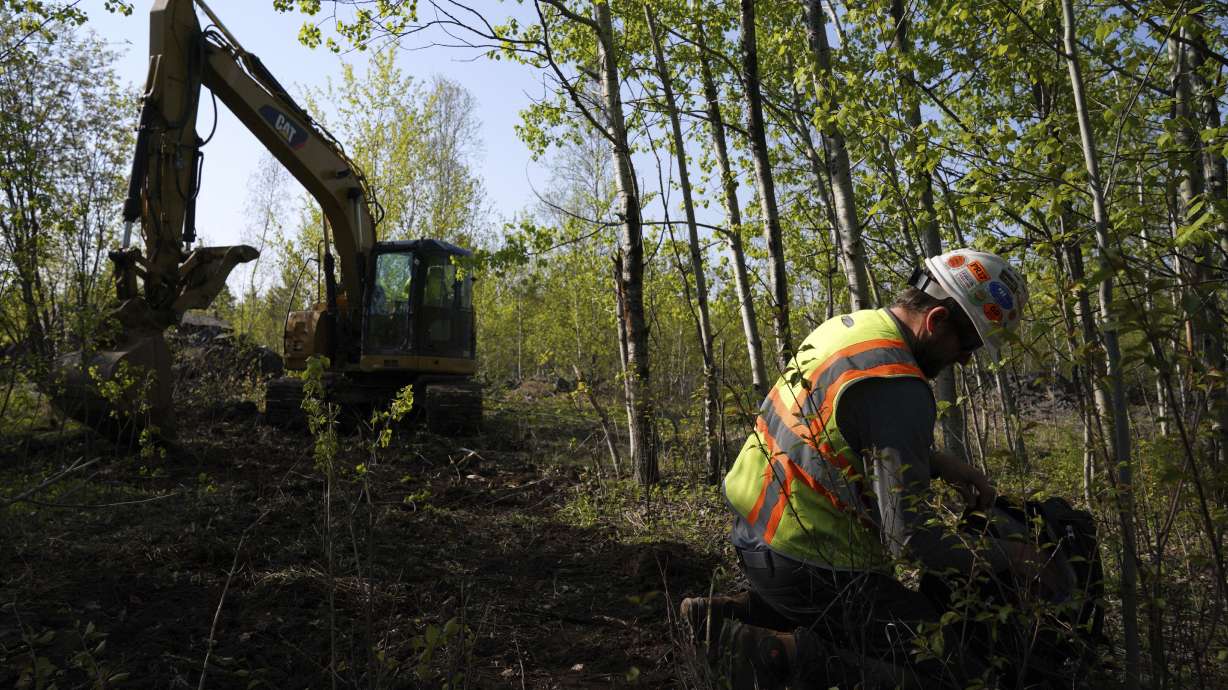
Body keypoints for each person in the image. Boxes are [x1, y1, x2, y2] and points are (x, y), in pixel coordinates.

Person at [682, 249, 1055, 689]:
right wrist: (1011, 557)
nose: (965, 360)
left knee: (891, 623)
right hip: (808, 561)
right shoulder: (899, 387)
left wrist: (940, 464)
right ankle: (777, 656)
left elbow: (844, 435)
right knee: (959, 672)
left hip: (755, 533)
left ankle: (730, 615)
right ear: (935, 321)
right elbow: (909, 539)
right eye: (968, 344)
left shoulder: (852, 329)